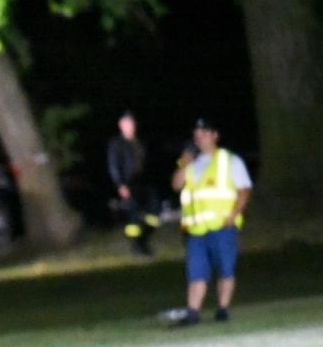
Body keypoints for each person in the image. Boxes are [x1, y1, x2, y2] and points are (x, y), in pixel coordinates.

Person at [169, 117, 252, 327]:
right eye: (197, 135)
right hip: (196, 230)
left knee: (225, 269)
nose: (200, 138)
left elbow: (243, 190)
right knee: (196, 272)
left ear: (215, 135)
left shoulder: (229, 160)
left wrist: (233, 215)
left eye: (205, 133)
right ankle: (193, 313)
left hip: (222, 226)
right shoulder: (192, 164)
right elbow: (176, 185)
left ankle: (223, 309)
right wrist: (184, 163)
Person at [107, 112, 159, 257]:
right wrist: (120, 185)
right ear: (121, 126)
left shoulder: (139, 141)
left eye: (132, 123)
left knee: (154, 212)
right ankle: (138, 246)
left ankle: (144, 239)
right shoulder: (116, 143)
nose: (130, 126)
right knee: (134, 217)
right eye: (126, 124)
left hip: (144, 182)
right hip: (128, 184)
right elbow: (113, 165)